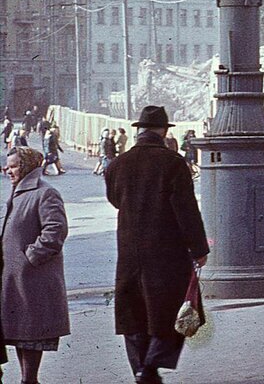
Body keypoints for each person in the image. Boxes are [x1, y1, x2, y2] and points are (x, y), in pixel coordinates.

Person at [105, 105, 209, 384]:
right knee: (172, 310)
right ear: (163, 131)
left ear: (139, 130)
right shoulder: (173, 163)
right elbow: (186, 210)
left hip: (128, 251)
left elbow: (115, 200)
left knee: (133, 314)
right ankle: (150, 367)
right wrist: (200, 249)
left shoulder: (117, 165)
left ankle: (140, 369)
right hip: (167, 252)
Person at [3, 146, 70, 384]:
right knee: (22, 332)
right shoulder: (20, 192)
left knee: (30, 332)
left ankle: (28, 380)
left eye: (12, 166)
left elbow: (55, 230)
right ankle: (27, 380)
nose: (7, 170)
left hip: (32, 278)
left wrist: (29, 258)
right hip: (18, 277)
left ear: (27, 167)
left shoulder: (44, 193)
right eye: (7, 166)